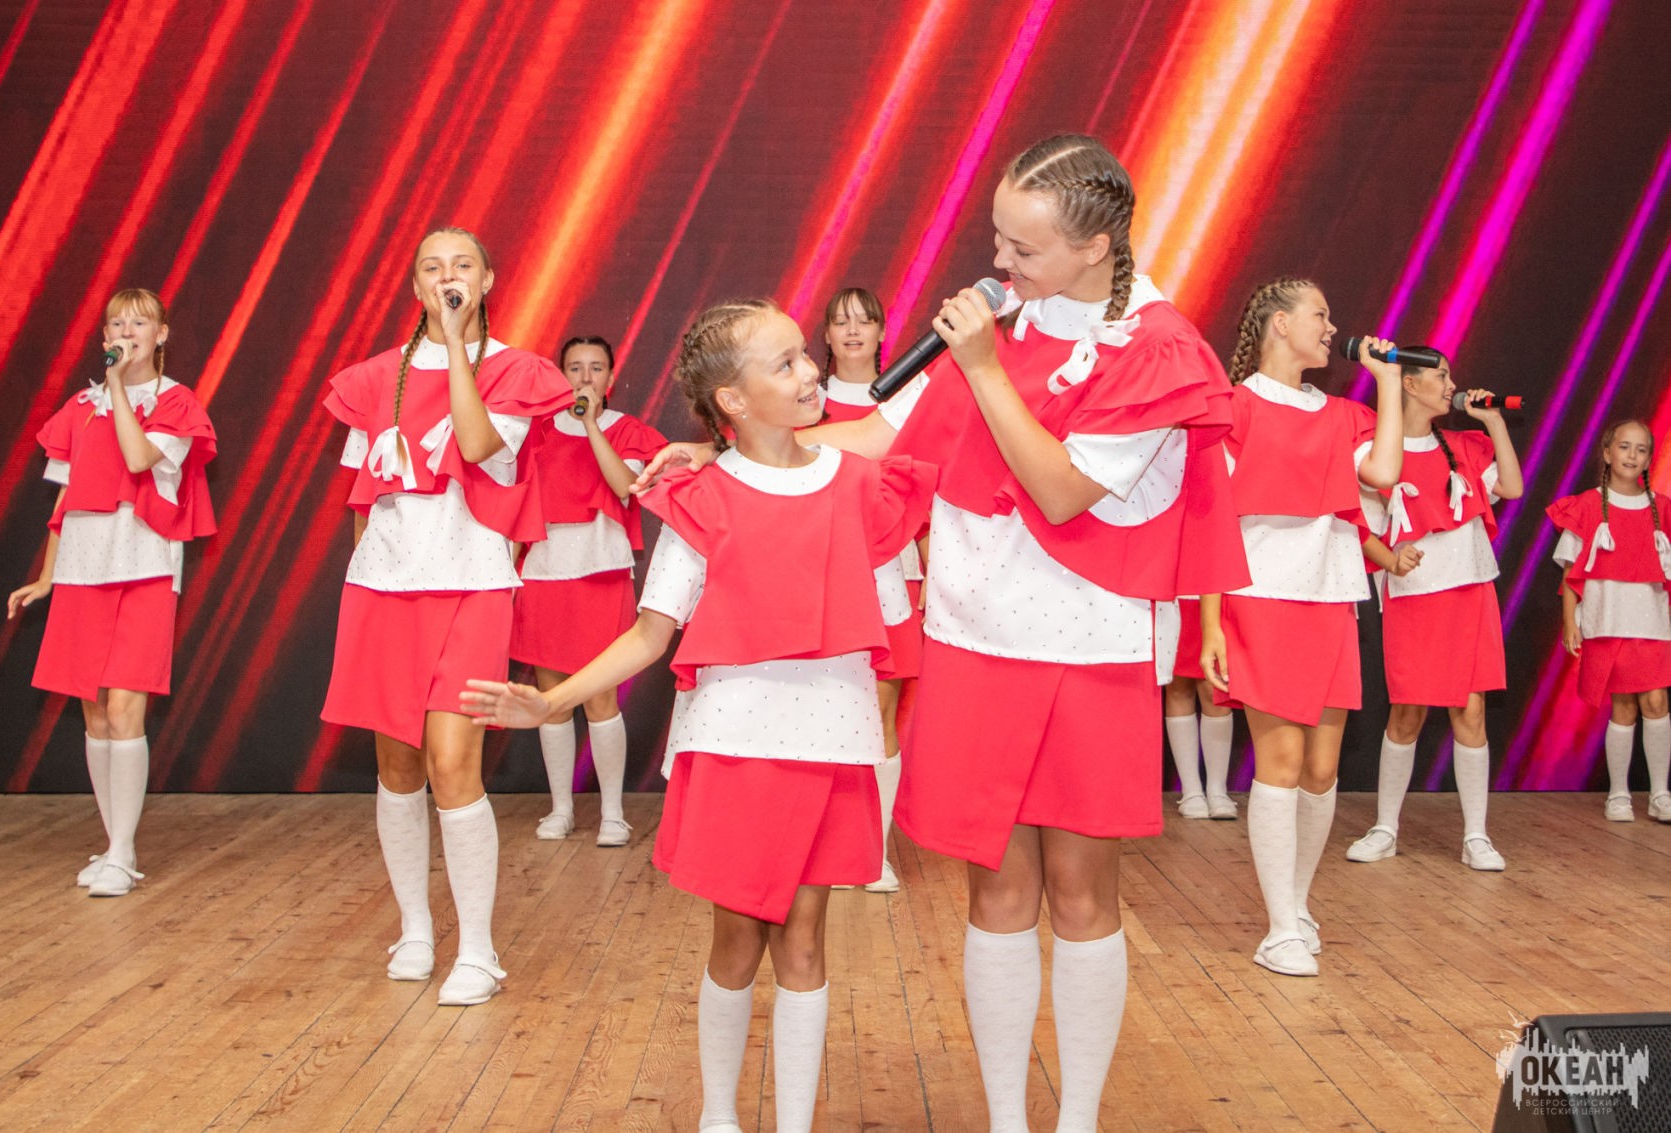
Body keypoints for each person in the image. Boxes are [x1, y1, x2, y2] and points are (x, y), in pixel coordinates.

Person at [638, 133, 1248, 1132]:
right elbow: (882, 434)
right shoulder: (998, 324)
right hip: (975, 639)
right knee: (995, 890)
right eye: (996, 239)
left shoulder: (1155, 348)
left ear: (1095, 247)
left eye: (1024, 248)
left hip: (1088, 648)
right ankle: (1006, 1118)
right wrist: (730, 454)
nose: (998, 262)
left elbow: (1060, 490)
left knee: (1082, 893)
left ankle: (1076, 1119)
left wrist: (985, 368)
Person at [465, 297, 934, 1132]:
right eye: (785, 363)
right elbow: (651, 633)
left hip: (832, 739)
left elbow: (897, 595)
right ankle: (720, 1115)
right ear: (732, 400)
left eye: (804, 354)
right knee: (737, 940)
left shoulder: (861, 484)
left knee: (806, 941)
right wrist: (553, 699)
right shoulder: (702, 498)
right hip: (733, 744)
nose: (811, 370)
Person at [321, 226, 571, 1005]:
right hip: (384, 588)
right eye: (431, 267)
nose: (446, 276)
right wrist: (366, 579)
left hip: (471, 584)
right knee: (396, 765)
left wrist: (458, 344)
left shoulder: (516, 371)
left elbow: (476, 442)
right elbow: (363, 497)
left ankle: (480, 951)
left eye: (461, 265)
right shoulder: (372, 379)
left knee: (454, 762)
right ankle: (415, 929)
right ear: (414, 285)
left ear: (486, 279)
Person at [1199, 277, 1405, 978]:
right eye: (1320, 313)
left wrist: (1389, 381)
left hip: (1331, 596)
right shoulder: (1235, 406)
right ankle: (1280, 927)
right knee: (1282, 763)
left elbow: (1384, 470)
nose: (1332, 326)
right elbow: (1212, 520)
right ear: (1280, 324)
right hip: (1261, 596)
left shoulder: (1342, 414)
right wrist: (1211, 622)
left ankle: (1297, 903)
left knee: (1322, 770)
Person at [8, 287, 216, 898]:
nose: (126, 332)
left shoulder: (176, 403)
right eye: (116, 324)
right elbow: (65, 498)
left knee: (126, 708)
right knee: (95, 711)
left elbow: (137, 456)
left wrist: (119, 389)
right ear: (104, 336)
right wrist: (48, 575)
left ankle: (123, 853)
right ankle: (111, 842)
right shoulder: (78, 408)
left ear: (161, 334)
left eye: (139, 323)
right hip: (82, 568)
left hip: (145, 567)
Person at [1346, 350, 1522, 869]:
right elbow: (1359, 523)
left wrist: (1493, 421)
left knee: (1471, 710)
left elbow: (1512, 488)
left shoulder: (1466, 445)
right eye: (1441, 375)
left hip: (1471, 591)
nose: (1451, 384)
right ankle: (1385, 828)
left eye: (1450, 375)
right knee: (1407, 712)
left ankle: (1476, 836)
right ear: (1409, 385)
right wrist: (1392, 558)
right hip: (1415, 595)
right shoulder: (1379, 451)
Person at [512, 335, 666, 847]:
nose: (584, 377)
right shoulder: (535, 432)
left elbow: (625, 487)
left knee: (600, 696)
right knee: (553, 700)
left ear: (611, 377)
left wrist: (591, 424)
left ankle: (613, 815)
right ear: (561, 377)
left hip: (601, 573)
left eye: (595, 368)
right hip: (544, 572)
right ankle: (560, 809)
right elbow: (517, 508)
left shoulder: (627, 430)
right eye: (574, 368)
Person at [817, 286, 921, 892]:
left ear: (884, 331)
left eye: (864, 320)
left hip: (891, 573)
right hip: (817, 573)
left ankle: (873, 852)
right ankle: (825, 848)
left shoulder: (910, 398)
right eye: (840, 321)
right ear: (826, 335)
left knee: (880, 711)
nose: (853, 330)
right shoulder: (804, 399)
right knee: (825, 709)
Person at [1546, 419, 1671, 823]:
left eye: (1641, 449)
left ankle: (1660, 793)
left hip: (1652, 622)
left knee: (1656, 701)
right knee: (1623, 706)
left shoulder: (1663, 507)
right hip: (1608, 620)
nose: (1632, 455)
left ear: (1649, 460)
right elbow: (1570, 570)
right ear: (1607, 453)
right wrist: (1570, 621)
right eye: (1624, 446)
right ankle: (1618, 794)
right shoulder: (1586, 505)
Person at [1164, 611, 1237, 819]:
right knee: (1178, 686)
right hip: (1174, 602)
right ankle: (1191, 791)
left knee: (1215, 688)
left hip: (1217, 603)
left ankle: (1218, 790)